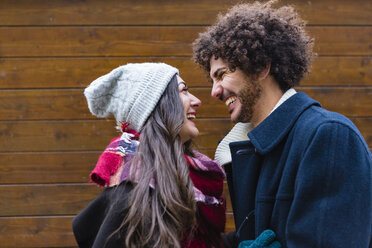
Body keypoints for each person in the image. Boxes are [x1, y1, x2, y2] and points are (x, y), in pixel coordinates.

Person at [192, 1, 372, 247]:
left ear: (261, 67)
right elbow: (251, 236)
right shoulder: (243, 148)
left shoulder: (328, 135)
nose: (214, 92)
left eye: (222, 74)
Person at [72, 63, 226, 248]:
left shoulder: (192, 179)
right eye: (183, 91)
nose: (196, 101)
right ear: (157, 107)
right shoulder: (130, 197)